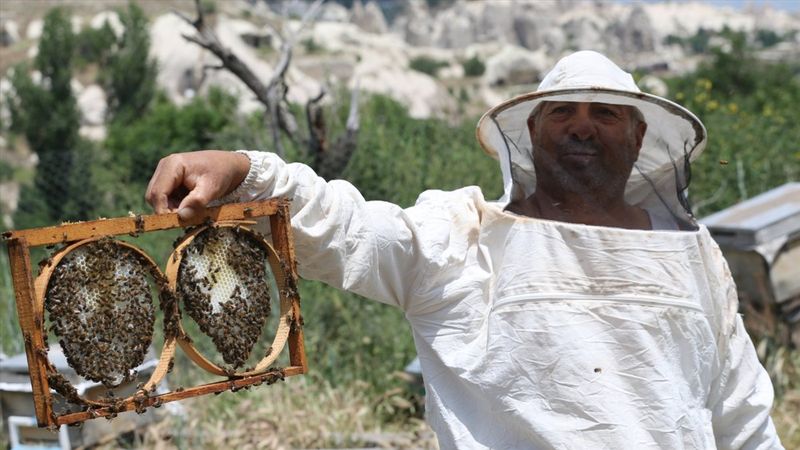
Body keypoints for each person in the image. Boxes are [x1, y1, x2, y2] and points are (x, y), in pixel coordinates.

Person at [146, 51, 784, 449]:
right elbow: (348, 228)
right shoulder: (461, 236)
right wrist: (245, 169)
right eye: (562, 110)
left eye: (606, 113)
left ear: (640, 135)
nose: (583, 125)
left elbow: (740, 411)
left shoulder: (692, 254)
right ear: (531, 132)